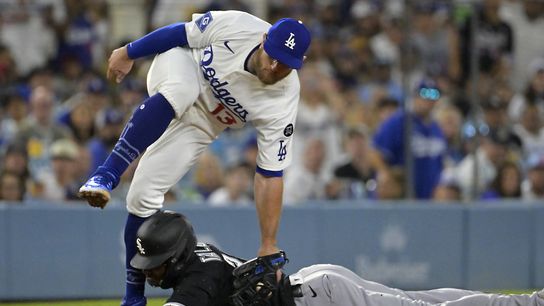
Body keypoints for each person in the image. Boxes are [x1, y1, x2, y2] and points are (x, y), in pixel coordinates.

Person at [77, 10, 311, 306]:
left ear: (300, 64)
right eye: (272, 56)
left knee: (142, 196)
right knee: (181, 89)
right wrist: (129, 51)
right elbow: (179, 33)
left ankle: (133, 298)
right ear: (264, 39)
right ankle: (107, 174)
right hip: (182, 65)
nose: (275, 67)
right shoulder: (240, 26)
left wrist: (268, 242)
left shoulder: (283, 101)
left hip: (204, 123)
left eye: (286, 65)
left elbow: (270, 174)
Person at [132, 210, 544, 306]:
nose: (152, 274)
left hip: (322, 298)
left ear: (180, 255)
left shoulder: (196, 282)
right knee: (425, 299)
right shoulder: (197, 262)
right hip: (317, 286)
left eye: (159, 264)